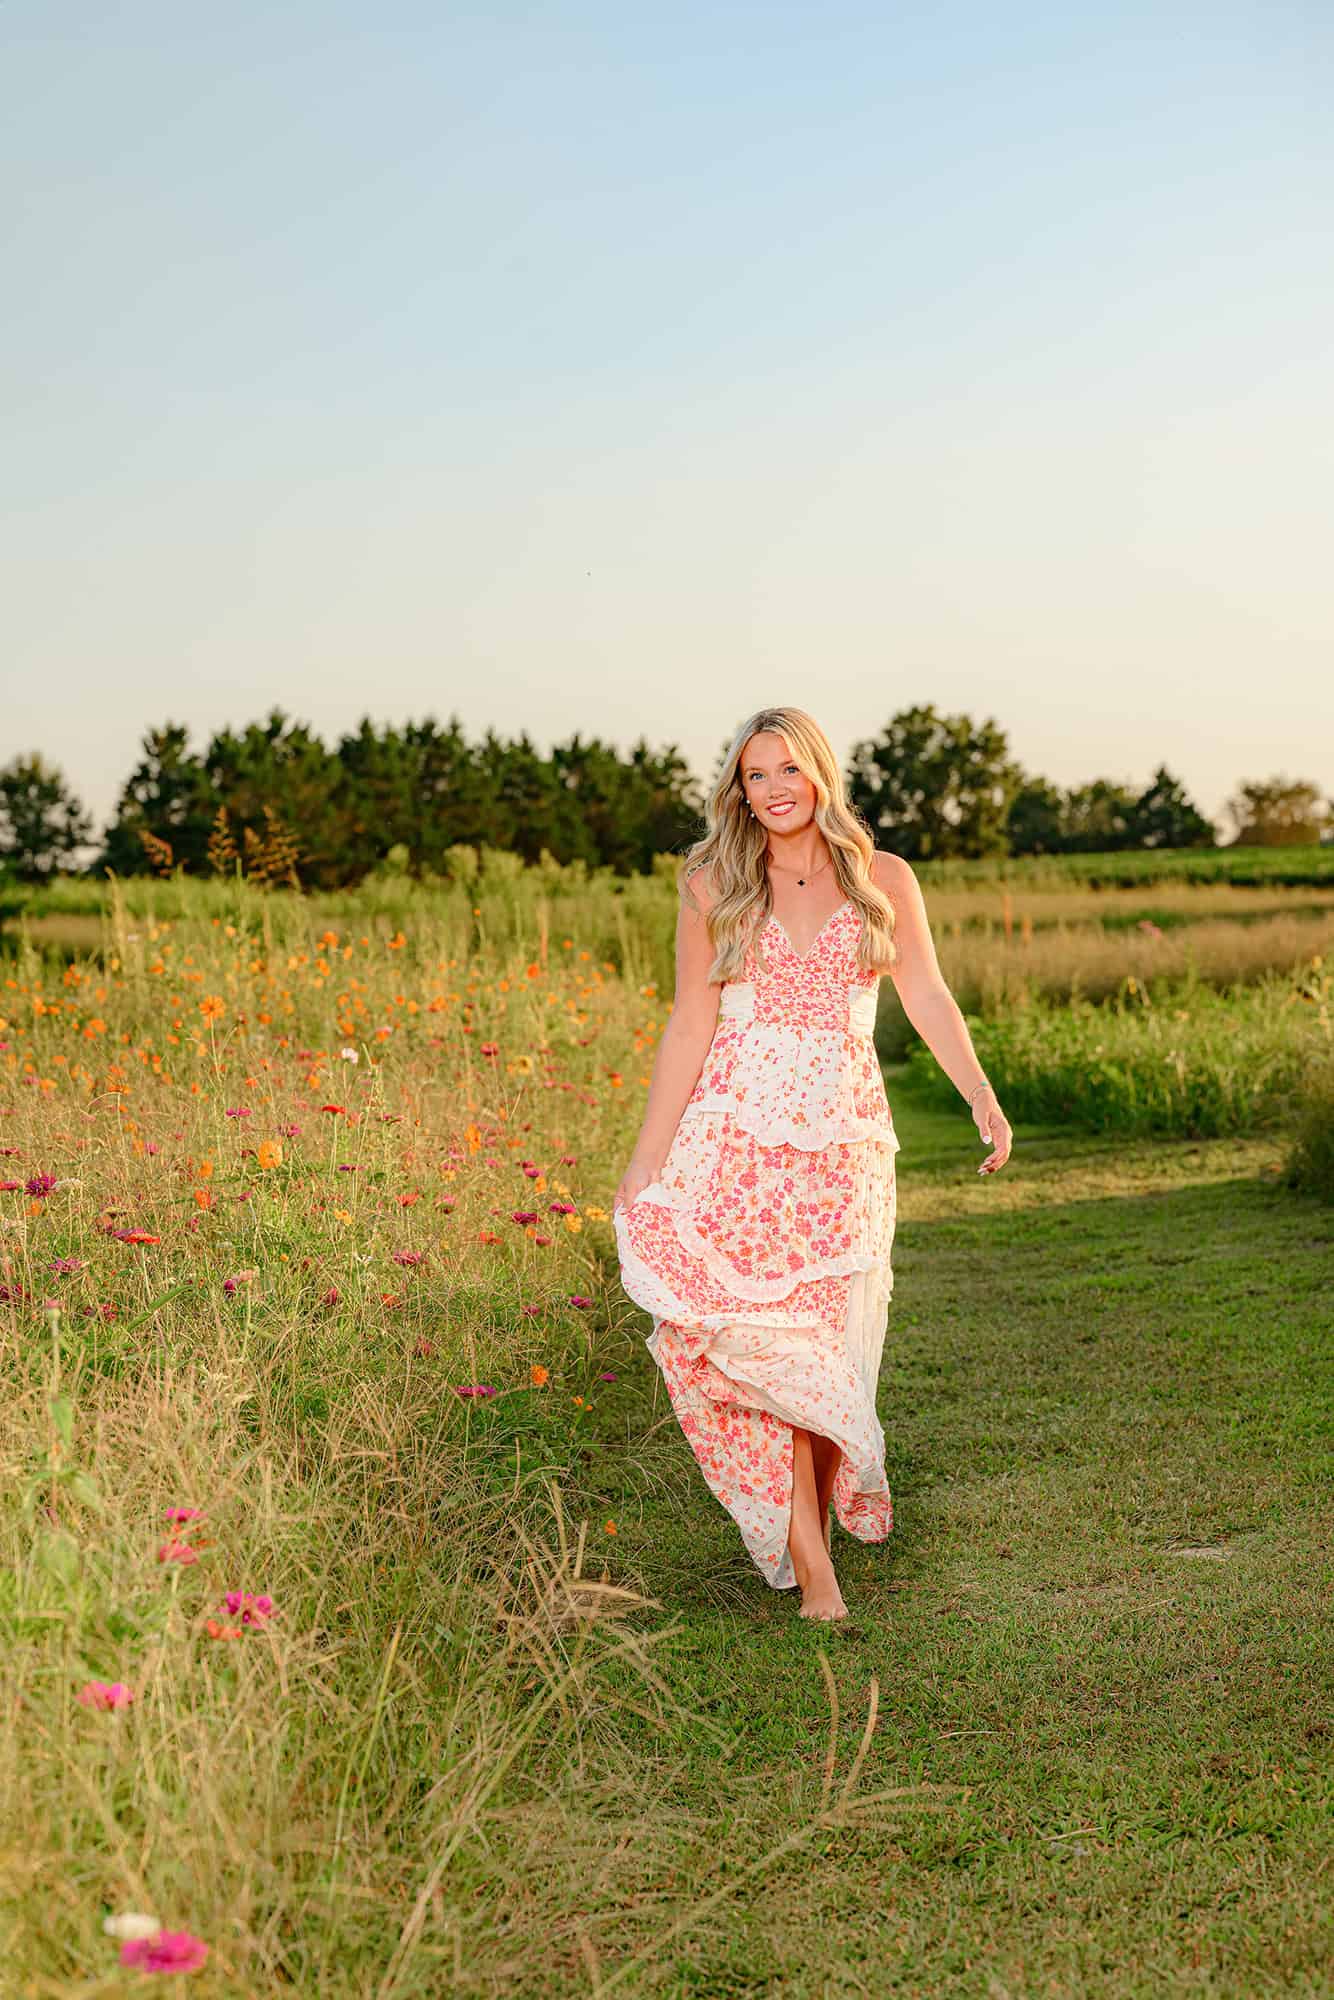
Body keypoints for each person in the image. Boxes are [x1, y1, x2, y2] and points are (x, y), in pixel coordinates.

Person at [612, 705, 1012, 1621]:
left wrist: (981, 1095)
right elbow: (689, 1023)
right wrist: (646, 1160)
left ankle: (812, 1533)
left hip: (843, 1146)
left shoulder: (884, 879)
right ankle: (815, 1578)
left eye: (788, 769)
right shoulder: (712, 881)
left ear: (820, 774)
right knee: (766, 1347)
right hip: (737, 1144)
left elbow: (926, 991)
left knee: (826, 1353)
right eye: (756, 775)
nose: (774, 789)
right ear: (739, 791)